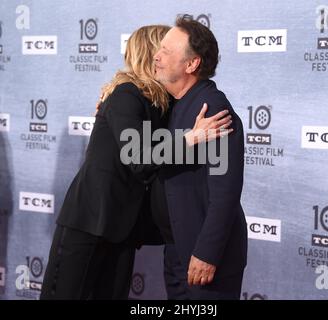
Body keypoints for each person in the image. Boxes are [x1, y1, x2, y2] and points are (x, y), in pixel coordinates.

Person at [40, 25, 232, 300]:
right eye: (163, 49)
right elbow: (139, 156)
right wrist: (192, 138)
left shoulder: (163, 103)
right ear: (151, 53)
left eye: (170, 51)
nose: (164, 57)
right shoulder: (125, 95)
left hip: (122, 229)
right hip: (90, 223)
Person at [151, 16, 248, 300]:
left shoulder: (212, 109)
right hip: (178, 253)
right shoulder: (178, 104)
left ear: (192, 64)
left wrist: (206, 253)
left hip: (202, 261)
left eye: (166, 51)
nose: (156, 56)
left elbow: (225, 191)